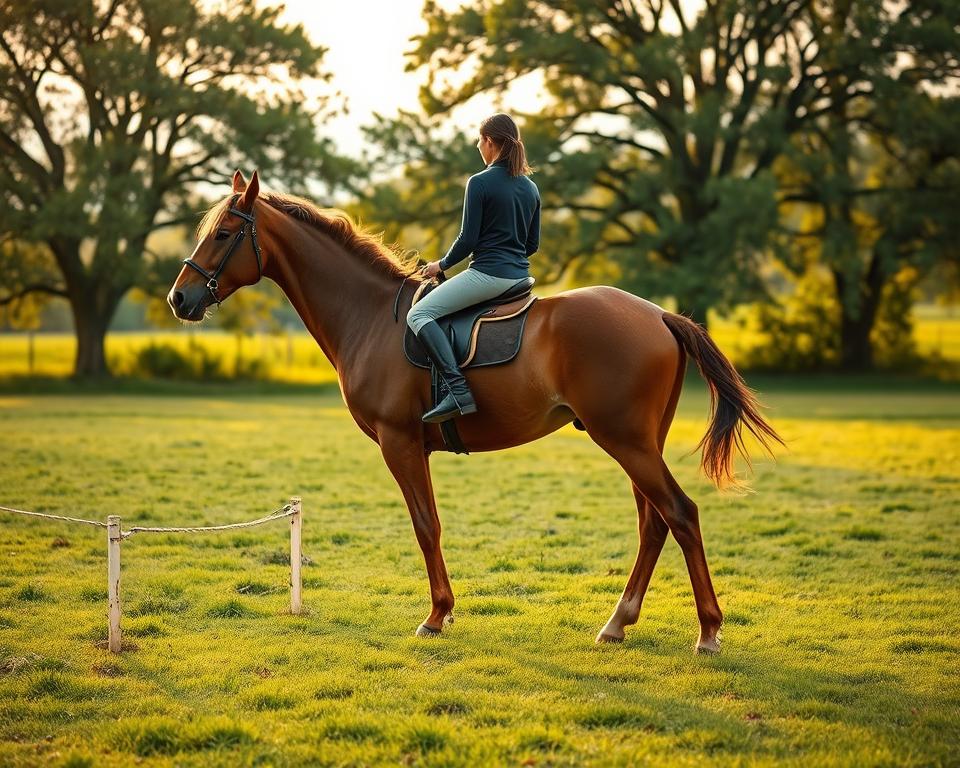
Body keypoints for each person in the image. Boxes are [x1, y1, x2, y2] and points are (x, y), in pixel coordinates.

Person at [407, 113, 541, 423]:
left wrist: (440, 265)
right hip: (520, 276)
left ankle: (457, 392)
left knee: (419, 314)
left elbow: (467, 239)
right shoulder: (531, 188)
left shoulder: (479, 182)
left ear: (491, 142)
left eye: (479, 141)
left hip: (489, 275)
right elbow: (531, 245)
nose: (478, 146)